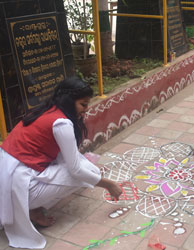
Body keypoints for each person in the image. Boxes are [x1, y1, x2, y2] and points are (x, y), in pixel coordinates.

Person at [0, 76, 122, 249]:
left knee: (85, 167)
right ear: (69, 100)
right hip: (17, 185)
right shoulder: (61, 123)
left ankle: (33, 207)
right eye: (83, 104)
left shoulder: (46, 110)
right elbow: (75, 170)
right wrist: (108, 184)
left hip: (11, 177)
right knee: (88, 174)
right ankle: (31, 208)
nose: (86, 110)